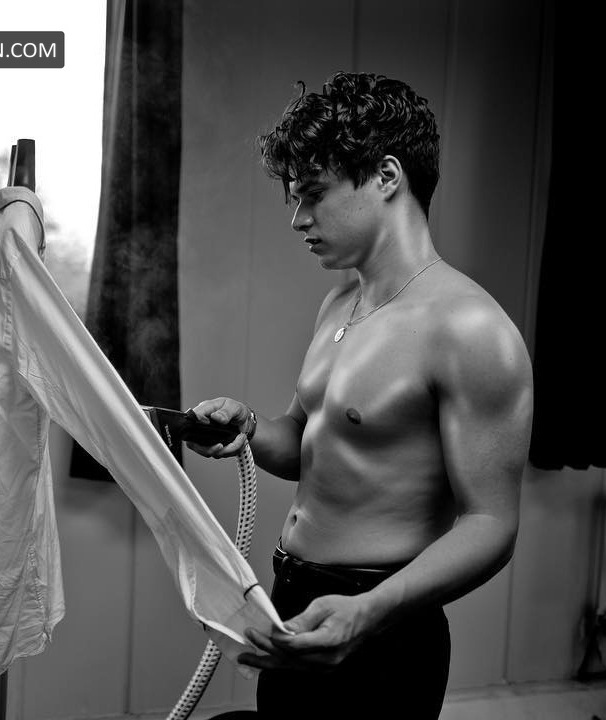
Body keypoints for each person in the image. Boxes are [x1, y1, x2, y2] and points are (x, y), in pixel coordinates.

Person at [188, 72, 533, 719]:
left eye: (313, 194)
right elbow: (307, 444)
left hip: (382, 629)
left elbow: (492, 523)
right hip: (295, 603)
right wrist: (250, 425)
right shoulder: (340, 302)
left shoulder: (470, 329)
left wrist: (369, 611)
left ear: (386, 176)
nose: (297, 219)